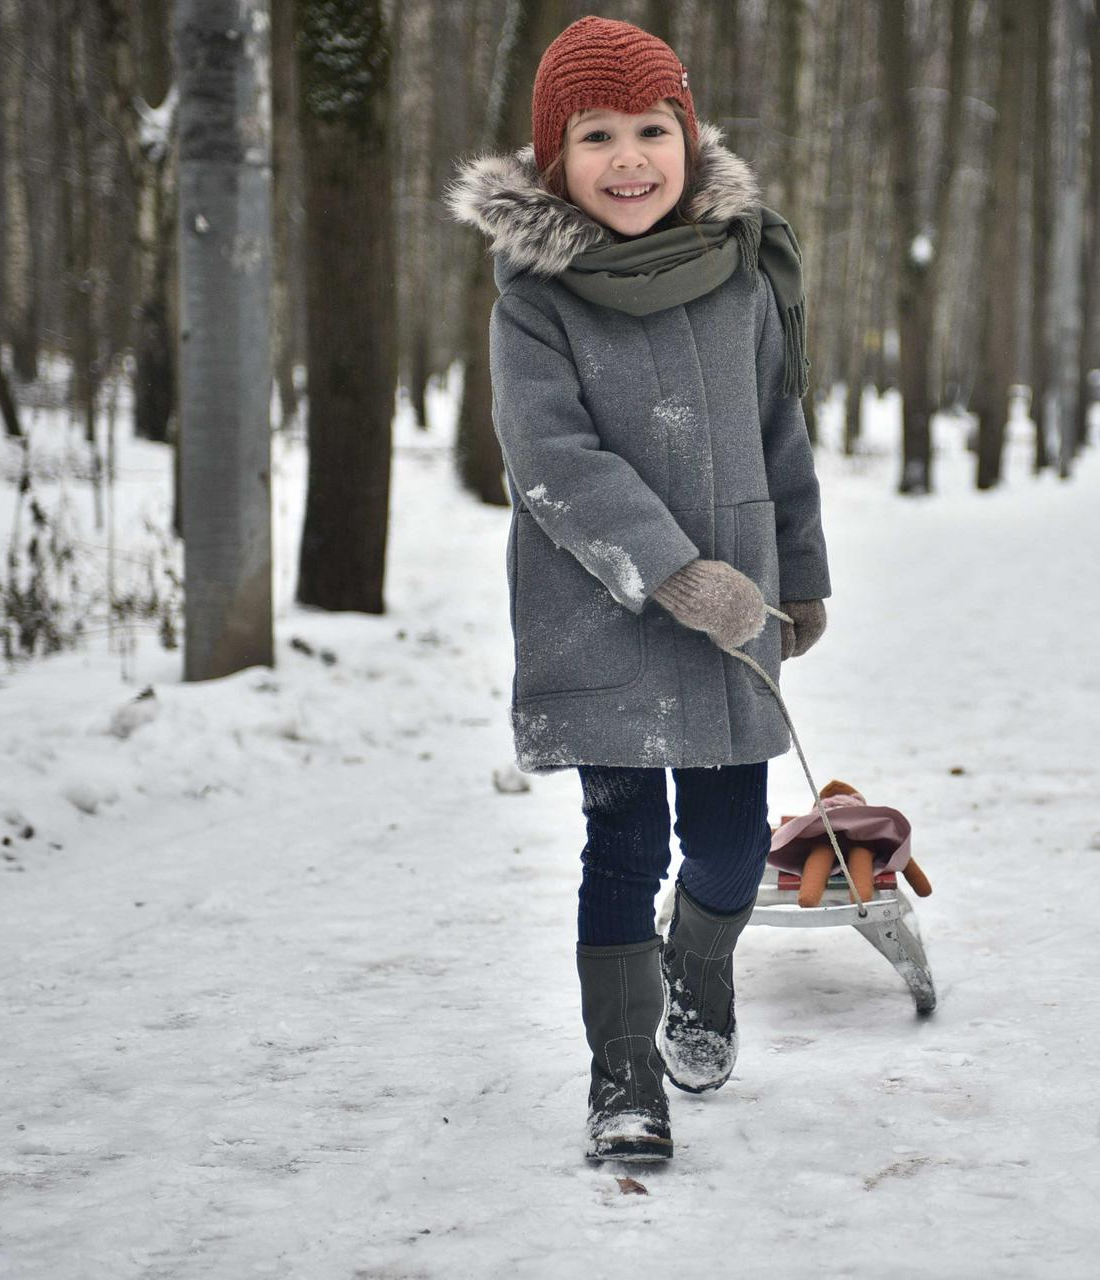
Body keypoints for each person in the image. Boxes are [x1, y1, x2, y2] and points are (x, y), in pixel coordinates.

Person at [446, 15, 830, 1165]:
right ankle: (623, 1077)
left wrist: (798, 576)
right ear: (555, 159)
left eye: (651, 130)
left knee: (723, 844)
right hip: (600, 610)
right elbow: (553, 463)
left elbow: (781, 433)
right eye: (596, 135)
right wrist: (670, 571)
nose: (628, 158)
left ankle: (699, 963)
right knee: (624, 845)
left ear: (688, 136)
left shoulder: (744, 277)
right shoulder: (536, 300)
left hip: (732, 623)